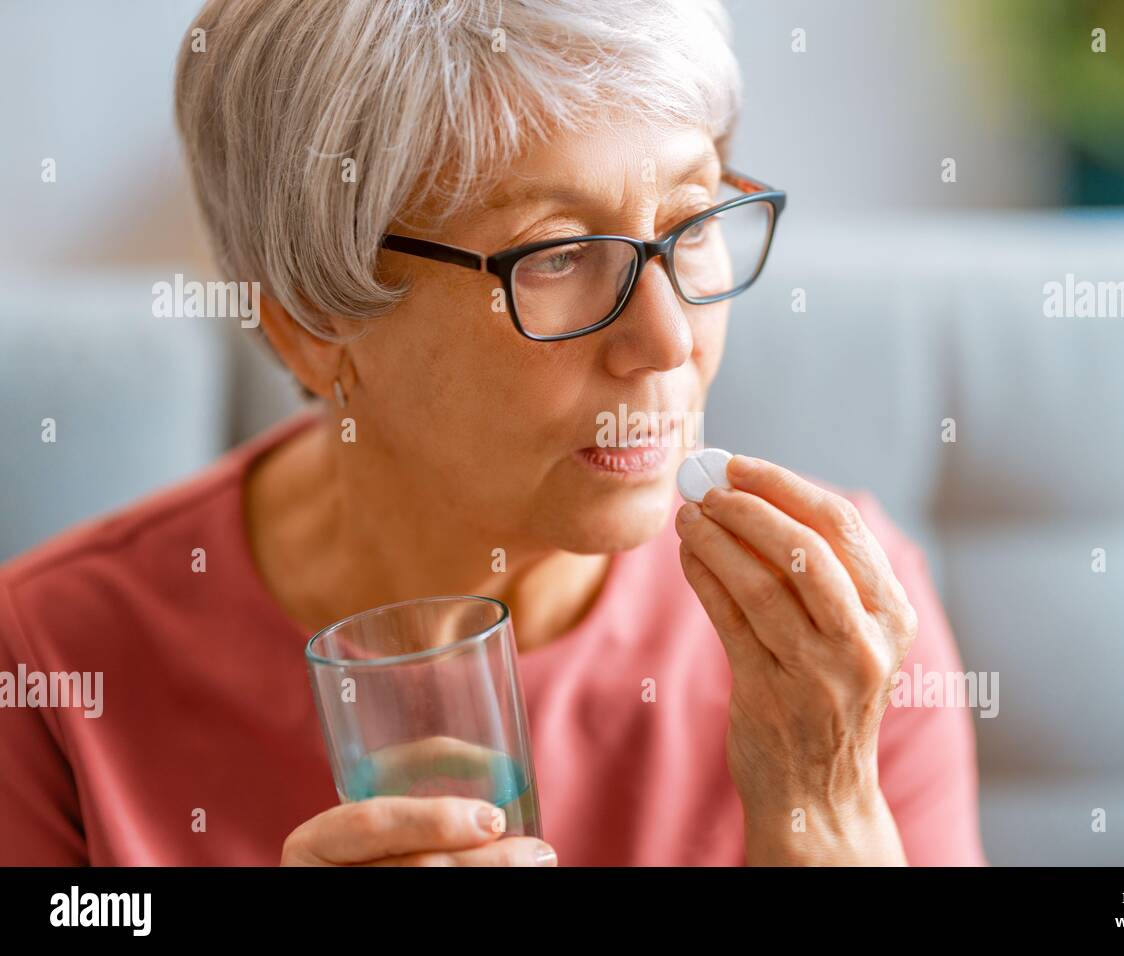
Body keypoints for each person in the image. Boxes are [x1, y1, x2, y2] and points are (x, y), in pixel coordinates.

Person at [0, 0, 985, 866]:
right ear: (311, 323)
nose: (666, 338)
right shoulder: (47, 671)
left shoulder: (832, 626)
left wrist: (822, 801)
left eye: (690, 220)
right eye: (556, 256)